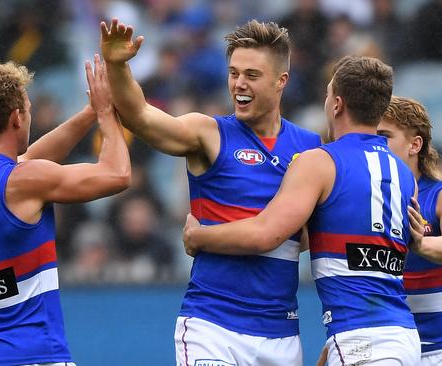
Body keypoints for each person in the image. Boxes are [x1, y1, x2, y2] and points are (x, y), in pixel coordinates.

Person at [100, 18, 321, 365]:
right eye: (233, 73)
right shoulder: (208, 133)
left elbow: (314, 232)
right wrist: (117, 66)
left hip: (281, 335)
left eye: (252, 75)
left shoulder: (310, 150)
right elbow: (139, 117)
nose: (239, 85)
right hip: (212, 328)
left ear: (282, 81)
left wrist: (217, 237)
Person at [184, 55, 422, 365]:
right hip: (399, 333)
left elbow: (266, 234)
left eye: (327, 94)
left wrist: (199, 237)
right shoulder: (404, 175)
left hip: (361, 339)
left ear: (336, 104)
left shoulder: (320, 162)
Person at [0, 56, 131, 365]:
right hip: (37, 353)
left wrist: (89, 113)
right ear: (16, 118)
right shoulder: (24, 181)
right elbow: (117, 174)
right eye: (28, 110)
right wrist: (107, 115)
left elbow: (28, 161)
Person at [377, 96, 442, 365]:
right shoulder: (365, 196)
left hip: (436, 353)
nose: (375, 144)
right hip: (379, 349)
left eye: (384, 136)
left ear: (415, 144)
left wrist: (421, 244)